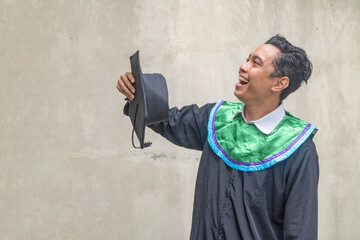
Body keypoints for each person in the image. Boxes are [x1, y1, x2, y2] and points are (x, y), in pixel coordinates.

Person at [117, 34, 319, 240]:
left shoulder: (298, 148)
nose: (243, 66)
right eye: (247, 59)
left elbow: (300, 232)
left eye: (255, 63)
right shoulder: (217, 119)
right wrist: (136, 90)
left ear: (279, 83)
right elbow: (166, 120)